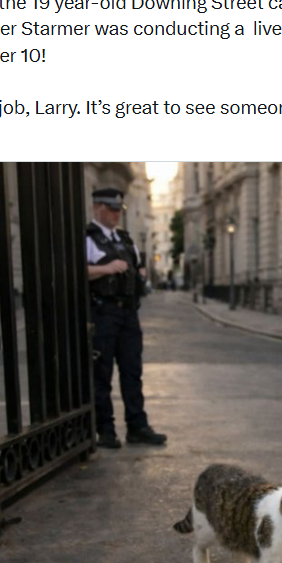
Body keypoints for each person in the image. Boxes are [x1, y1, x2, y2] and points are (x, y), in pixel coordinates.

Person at [87, 187, 168, 449]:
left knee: (132, 371)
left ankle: (137, 426)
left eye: (118, 210)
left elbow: (136, 264)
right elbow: (77, 270)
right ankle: (105, 430)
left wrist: (140, 271)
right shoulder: (88, 237)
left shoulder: (124, 238)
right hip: (103, 312)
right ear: (97, 207)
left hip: (128, 313)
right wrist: (106, 268)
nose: (115, 215)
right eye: (111, 209)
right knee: (102, 373)